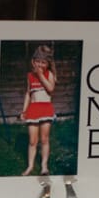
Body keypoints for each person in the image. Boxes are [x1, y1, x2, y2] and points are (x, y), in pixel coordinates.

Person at [19, 44, 57, 176]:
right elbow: (28, 93)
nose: (40, 65)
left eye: (43, 62)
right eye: (38, 61)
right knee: (32, 141)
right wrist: (24, 110)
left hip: (45, 108)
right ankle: (30, 166)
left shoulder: (49, 74)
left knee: (44, 139)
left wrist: (41, 75)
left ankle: (44, 166)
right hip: (33, 109)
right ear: (33, 61)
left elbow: (50, 89)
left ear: (48, 64)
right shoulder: (30, 76)